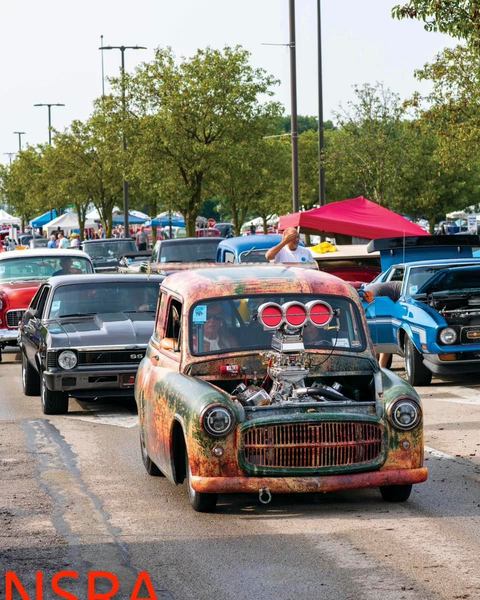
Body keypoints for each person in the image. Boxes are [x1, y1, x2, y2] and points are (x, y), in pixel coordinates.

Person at [362, 280, 402, 368]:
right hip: (374, 295)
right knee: (386, 338)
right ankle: (381, 368)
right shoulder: (405, 288)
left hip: (369, 293)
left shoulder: (398, 286)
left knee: (377, 336)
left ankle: (375, 366)